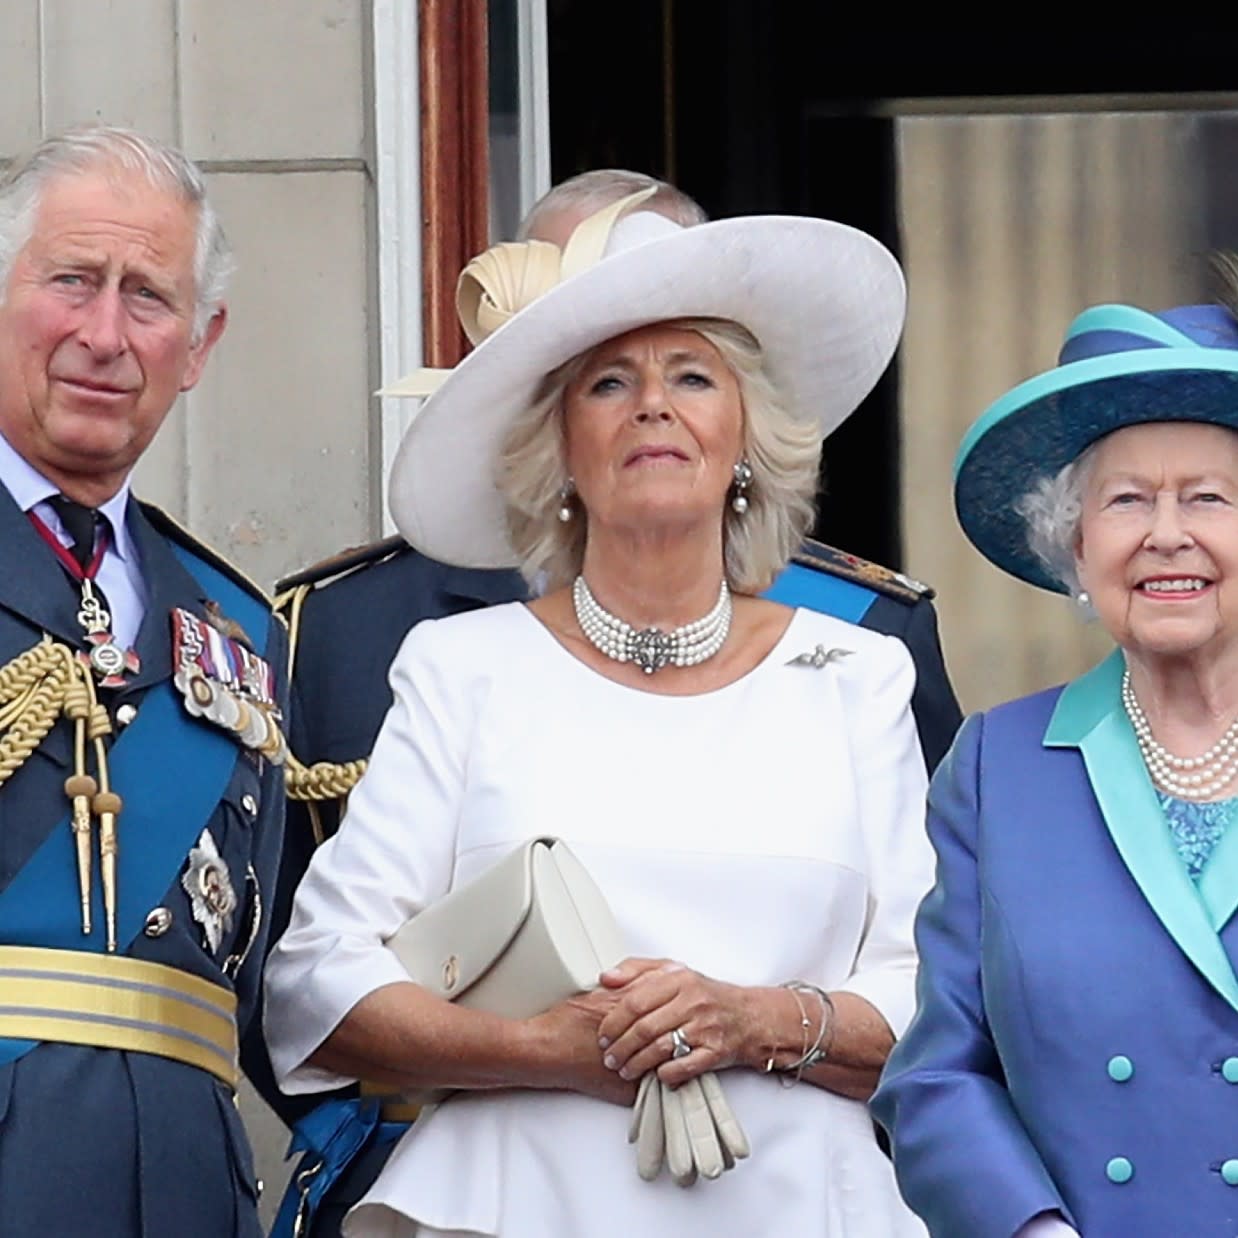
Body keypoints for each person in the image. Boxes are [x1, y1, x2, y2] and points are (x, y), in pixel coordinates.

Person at [268, 169, 959, 1238]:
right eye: (605, 384)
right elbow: (317, 982)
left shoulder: (857, 672)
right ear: (559, 460)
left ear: (744, 443)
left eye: (691, 375)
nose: (650, 404)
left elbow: (936, 998)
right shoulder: (460, 665)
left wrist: (749, 1019)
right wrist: (551, 1048)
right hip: (509, 1202)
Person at [872, 299, 1238, 1237]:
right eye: (1125, 501)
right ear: (1076, 548)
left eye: (1207, 496)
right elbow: (938, 1074)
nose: (1166, 534)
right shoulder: (1000, 770)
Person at [0, 125, 288, 1237]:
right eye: (71, 280)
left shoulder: (238, 625)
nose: (104, 334)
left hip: (177, 1190)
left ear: (201, 341)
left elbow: (269, 981)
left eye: (148, 297)